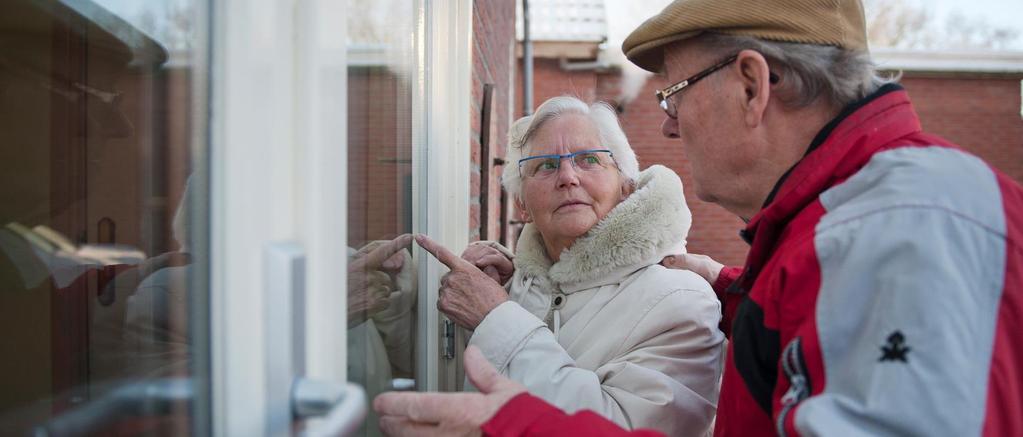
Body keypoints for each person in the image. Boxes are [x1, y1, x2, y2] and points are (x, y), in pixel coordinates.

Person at [373, 0, 1023, 435]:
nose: (665, 121)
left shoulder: (904, 233)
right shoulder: (845, 233)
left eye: (674, 92)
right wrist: (741, 296)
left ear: (750, 84)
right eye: (543, 166)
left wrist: (514, 423)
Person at [413, 95, 725, 435]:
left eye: (589, 159)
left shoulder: (681, 300)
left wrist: (497, 318)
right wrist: (392, 305)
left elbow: (622, 426)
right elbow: (433, 377)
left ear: (625, 186)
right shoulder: (509, 287)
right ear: (522, 205)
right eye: (545, 165)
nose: (567, 176)